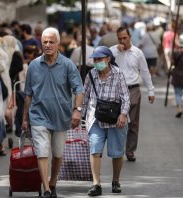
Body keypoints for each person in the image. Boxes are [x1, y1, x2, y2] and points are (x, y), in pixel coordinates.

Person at [21, 27, 84, 198]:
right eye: (45, 42)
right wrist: (25, 118)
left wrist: (77, 111)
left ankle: (53, 182)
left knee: (57, 154)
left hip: (61, 117)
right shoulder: (34, 65)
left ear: (57, 44)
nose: (48, 45)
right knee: (42, 151)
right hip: (38, 116)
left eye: (51, 42)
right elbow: (28, 95)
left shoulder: (67, 65)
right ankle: (46, 190)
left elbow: (79, 89)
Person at [82, 46, 130, 196]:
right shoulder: (91, 75)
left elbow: (126, 97)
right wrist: (81, 117)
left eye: (99, 59)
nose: (96, 62)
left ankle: (115, 181)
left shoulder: (118, 74)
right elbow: (85, 97)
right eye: (95, 59)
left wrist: (123, 114)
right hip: (95, 117)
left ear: (108, 59)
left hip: (116, 119)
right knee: (95, 149)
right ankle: (96, 184)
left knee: (117, 153)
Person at [110, 26, 155, 162]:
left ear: (130, 37)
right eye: (120, 38)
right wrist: (116, 52)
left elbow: (145, 71)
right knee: (118, 121)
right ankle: (118, 149)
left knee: (133, 122)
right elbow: (102, 64)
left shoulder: (138, 53)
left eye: (125, 38)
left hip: (133, 89)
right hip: (117, 90)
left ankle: (130, 150)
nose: (123, 41)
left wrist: (151, 90)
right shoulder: (113, 51)